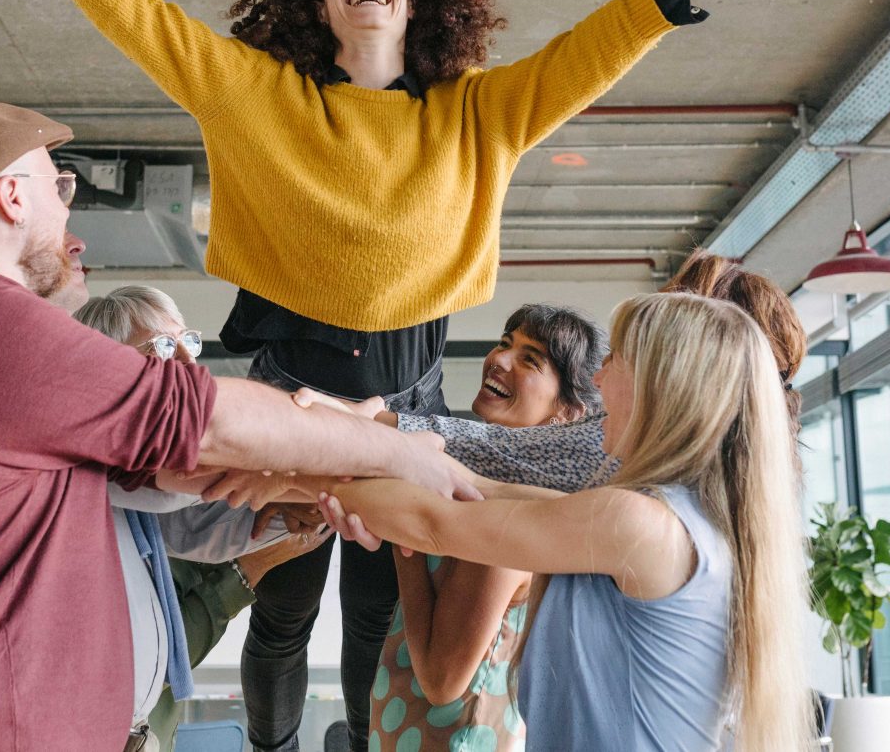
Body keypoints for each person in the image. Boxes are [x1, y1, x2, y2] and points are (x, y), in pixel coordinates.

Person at [0, 0, 786, 749]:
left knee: (376, 607)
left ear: (417, 1)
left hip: (405, 393)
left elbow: (581, 61)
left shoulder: (477, 113)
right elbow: (143, 21)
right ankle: (272, 746)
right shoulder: (261, 97)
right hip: (287, 382)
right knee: (281, 601)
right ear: (319, 4)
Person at [0, 103, 475, 752]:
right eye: (61, 188)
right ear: (11, 195)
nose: (69, 217)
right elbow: (208, 420)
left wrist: (315, 475)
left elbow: (172, 483)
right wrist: (389, 448)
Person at [320, 293, 813, 752]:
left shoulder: (639, 524)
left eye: (616, 360)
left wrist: (292, 471)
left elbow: (437, 521)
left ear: (663, 386)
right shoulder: (664, 518)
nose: (599, 382)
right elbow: (477, 488)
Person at [77, 285, 330, 752]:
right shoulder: (94, 476)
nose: (190, 369)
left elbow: (214, 527)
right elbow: (198, 483)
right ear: (107, 374)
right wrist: (301, 481)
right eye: (162, 351)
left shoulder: (147, 508)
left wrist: (298, 500)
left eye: (188, 344)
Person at [370, 304, 605, 752]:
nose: (499, 360)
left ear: (568, 415)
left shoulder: (513, 516)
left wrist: (406, 544)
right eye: (504, 343)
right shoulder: (494, 491)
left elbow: (441, 681)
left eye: (530, 359)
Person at [382, 250, 808, 493]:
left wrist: (362, 426)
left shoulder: (635, 465)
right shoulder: (730, 485)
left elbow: (491, 450)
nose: (604, 381)